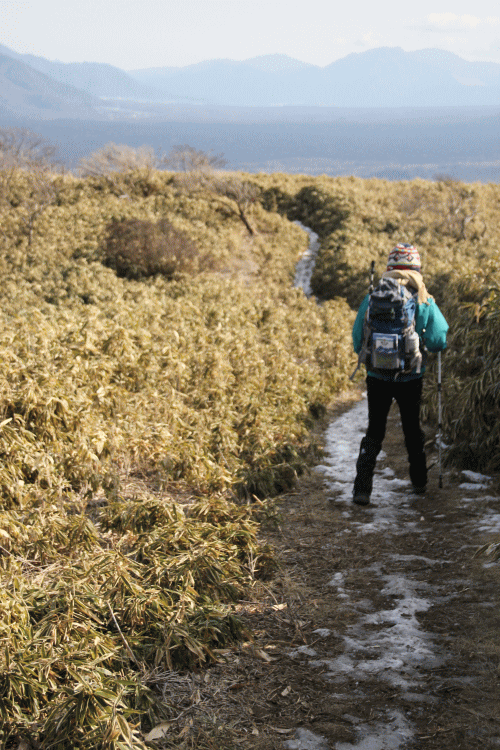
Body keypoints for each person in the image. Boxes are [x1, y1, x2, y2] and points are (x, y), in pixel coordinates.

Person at [351, 243, 449, 506]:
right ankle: (419, 483)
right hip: (410, 377)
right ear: (416, 267)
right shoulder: (422, 298)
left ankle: (362, 489)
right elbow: (439, 339)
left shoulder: (372, 297)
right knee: (411, 429)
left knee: (375, 430)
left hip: (377, 376)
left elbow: (357, 338)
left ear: (390, 267)